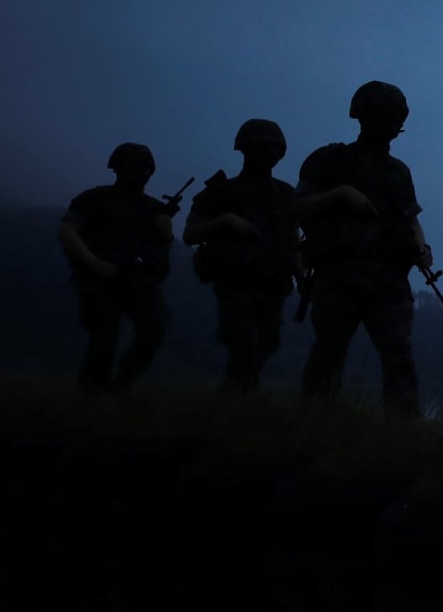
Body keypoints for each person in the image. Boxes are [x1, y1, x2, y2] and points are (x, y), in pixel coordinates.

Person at [294, 81, 430, 417]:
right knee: (329, 353)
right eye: (386, 115)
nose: (393, 124)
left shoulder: (399, 171)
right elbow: (297, 206)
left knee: (399, 354)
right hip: (340, 274)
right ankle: (313, 424)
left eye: (396, 117)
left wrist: (422, 247)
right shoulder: (331, 159)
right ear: (364, 115)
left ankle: (403, 432)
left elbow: (411, 217)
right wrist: (340, 195)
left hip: (389, 277)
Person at [183, 118, 303, 394]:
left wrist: (300, 275)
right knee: (244, 342)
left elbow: (292, 239)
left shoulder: (285, 194)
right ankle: (236, 402)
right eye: (261, 147)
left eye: (273, 149)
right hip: (235, 280)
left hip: (272, 282)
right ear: (245, 149)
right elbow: (191, 234)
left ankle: (238, 397)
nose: (268, 154)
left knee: (268, 342)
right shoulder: (222, 192)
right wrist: (226, 221)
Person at [58, 142, 177, 392]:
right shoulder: (94, 198)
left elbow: (160, 250)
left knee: (155, 328)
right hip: (101, 279)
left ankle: (122, 383)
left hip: (139, 280)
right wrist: (94, 263)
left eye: (144, 168)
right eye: (134, 166)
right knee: (103, 339)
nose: (140, 173)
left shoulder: (154, 208)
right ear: (118, 167)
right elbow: (67, 230)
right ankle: (91, 396)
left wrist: (166, 235)